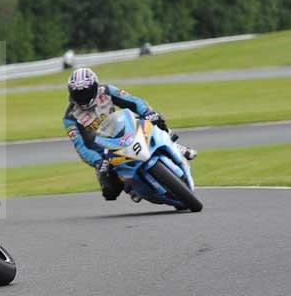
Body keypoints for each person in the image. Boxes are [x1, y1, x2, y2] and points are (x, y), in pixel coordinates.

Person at [63, 68, 197, 201]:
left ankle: (172, 143)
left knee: (157, 119)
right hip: (104, 152)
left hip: (124, 130)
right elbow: (81, 147)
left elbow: (134, 101)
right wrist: (97, 162)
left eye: (86, 92)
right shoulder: (70, 118)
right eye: (78, 94)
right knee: (109, 191)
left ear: (95, 87)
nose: (83, 97)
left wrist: (147, 113)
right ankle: (132, 187)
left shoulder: (107, 91)